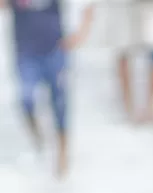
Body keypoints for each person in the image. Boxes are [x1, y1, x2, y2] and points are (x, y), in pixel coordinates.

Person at [4, 0, 94, 178]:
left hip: (55, 50)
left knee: (59, 103)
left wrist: (81, 33)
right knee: (25, 99)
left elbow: (86, 6)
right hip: (26, 53)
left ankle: (62, 154)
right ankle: (39, 139)